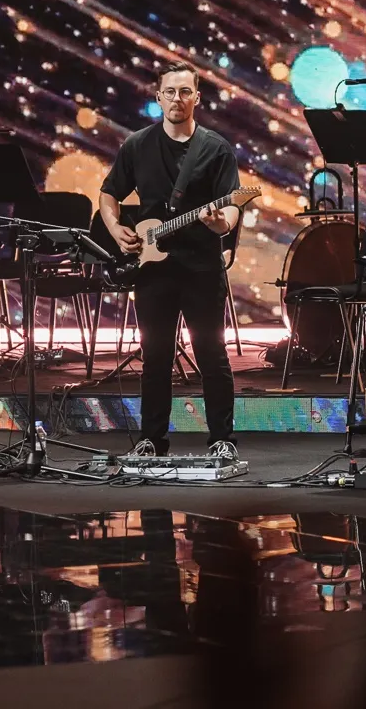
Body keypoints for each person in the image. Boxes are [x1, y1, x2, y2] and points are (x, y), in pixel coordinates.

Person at [99, 61, 242, 461]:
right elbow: (108, 194)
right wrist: (114, 228)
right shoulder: (137, 145)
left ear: (197, 97)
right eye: (169, 92)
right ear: (157, 96)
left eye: (185, 92)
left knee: (211, 354)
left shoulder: (216, 149)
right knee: (155, 356)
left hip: (201, 266)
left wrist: (218, 225)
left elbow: (231, 209)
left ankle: (223, 439)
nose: (177, 99)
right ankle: (151, 439)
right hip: (153, 269)